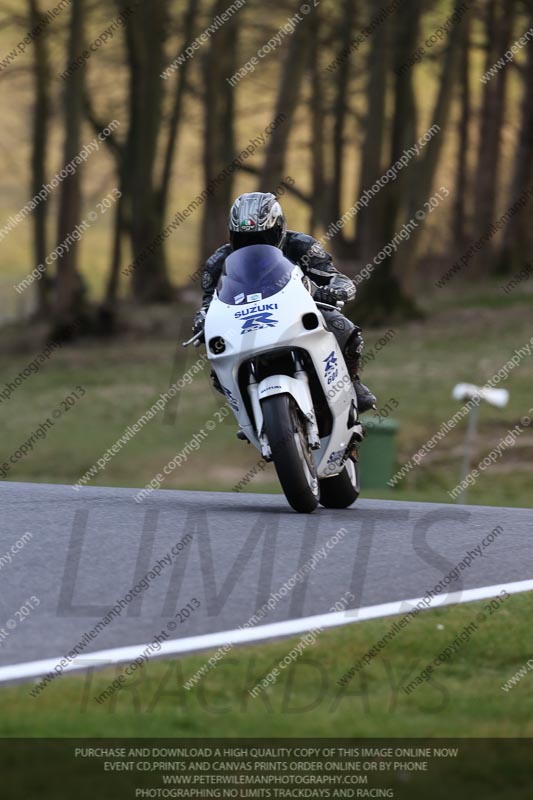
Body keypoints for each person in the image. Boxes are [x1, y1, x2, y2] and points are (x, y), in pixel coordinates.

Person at [192, 192, 376, 413]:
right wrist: (202, 318)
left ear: (278, 229)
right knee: (217, 366)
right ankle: (248, 410)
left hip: (294, 313)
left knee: (341, 326)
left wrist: (335, 290)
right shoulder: (217, 262)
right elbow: (208, 302)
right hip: (244, 323)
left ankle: (353, 383)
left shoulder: (302, 246)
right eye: (244, 239)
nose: (253, 246)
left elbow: (334, 276)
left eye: (263, 238)